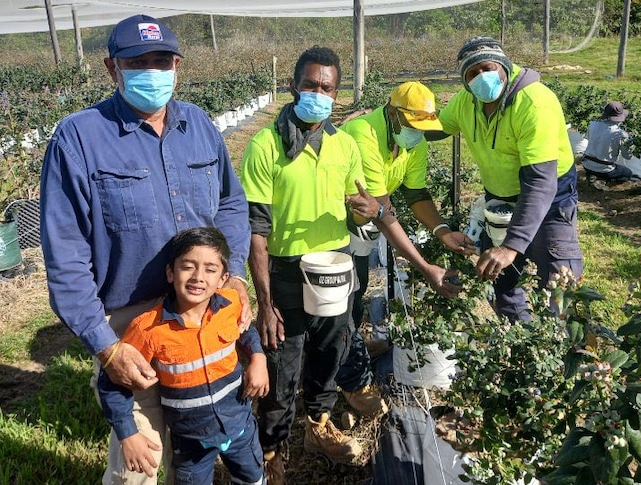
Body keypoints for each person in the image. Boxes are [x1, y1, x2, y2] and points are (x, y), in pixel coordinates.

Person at [40, 15, 252, 485]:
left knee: (194, 442)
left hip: (201, 307)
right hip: (132, 321)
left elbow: (233, 204)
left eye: (162, 61)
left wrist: (232, 275)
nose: (152, 71)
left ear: (177, 65)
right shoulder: (78, 137)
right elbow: (65, 253)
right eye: (138, 62)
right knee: (142, 457)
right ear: (111, 69)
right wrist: (106, 346)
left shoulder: (198, 125)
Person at [240, 45, 379, 483]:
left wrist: (367, 210)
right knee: (284, 361)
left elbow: (357, 209)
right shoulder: (266, 146)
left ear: (337, 94)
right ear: (293, 86)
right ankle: (271, 448)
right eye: (310, 85)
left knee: (330, 352)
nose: (318, 94)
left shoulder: (344, 144)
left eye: (327, 88)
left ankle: (318, 425)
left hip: (336, 265)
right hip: (285, 269)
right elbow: (256, 230)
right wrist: (264, 302)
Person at [336, 81, 472, 416]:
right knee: (345, 295)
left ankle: (348, 351)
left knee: (359, 286)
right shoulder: (363, 133)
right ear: (393, 114)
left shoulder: (413, 142)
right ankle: (350, 380)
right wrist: (426, 268)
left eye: (423, 128)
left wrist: (442, 232)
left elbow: (416, 195)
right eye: (412, 126)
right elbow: (383, 211)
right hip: (333, 223)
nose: (417, 133)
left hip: (362, 221)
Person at [98, 227, 268, 485]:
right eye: (188, 266)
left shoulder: (231, 304)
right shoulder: (148, 329)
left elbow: (245, 333)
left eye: (211, 269)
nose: (199, 277)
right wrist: (128, 434)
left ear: (224, 278)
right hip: (191, 443)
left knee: (253, 479)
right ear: (170, 272)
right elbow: (112, 381)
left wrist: (258, 358)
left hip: (240, 427)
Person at [434, 36, 583, 322]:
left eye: (487, 68)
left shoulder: (534, 102)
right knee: (501, 282)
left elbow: (540, 182)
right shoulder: (467, 101)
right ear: (464, 81)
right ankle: (522, 348)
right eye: (472, 74)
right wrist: (397, 120)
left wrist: (511, 246)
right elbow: (438, 127)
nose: (481, 77)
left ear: (503, 65)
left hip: (550, 200)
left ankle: (564, 352)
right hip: (499, 200)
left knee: (560, 286)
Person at [581, 101, 635, 183]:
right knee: (627, 173)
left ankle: (594, 176)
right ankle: (605, 181)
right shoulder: (621, 134)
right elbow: (627, 156)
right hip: (605, 169)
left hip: (586, 164)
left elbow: (589, 139)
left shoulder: (593, 124)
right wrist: (630, 143)